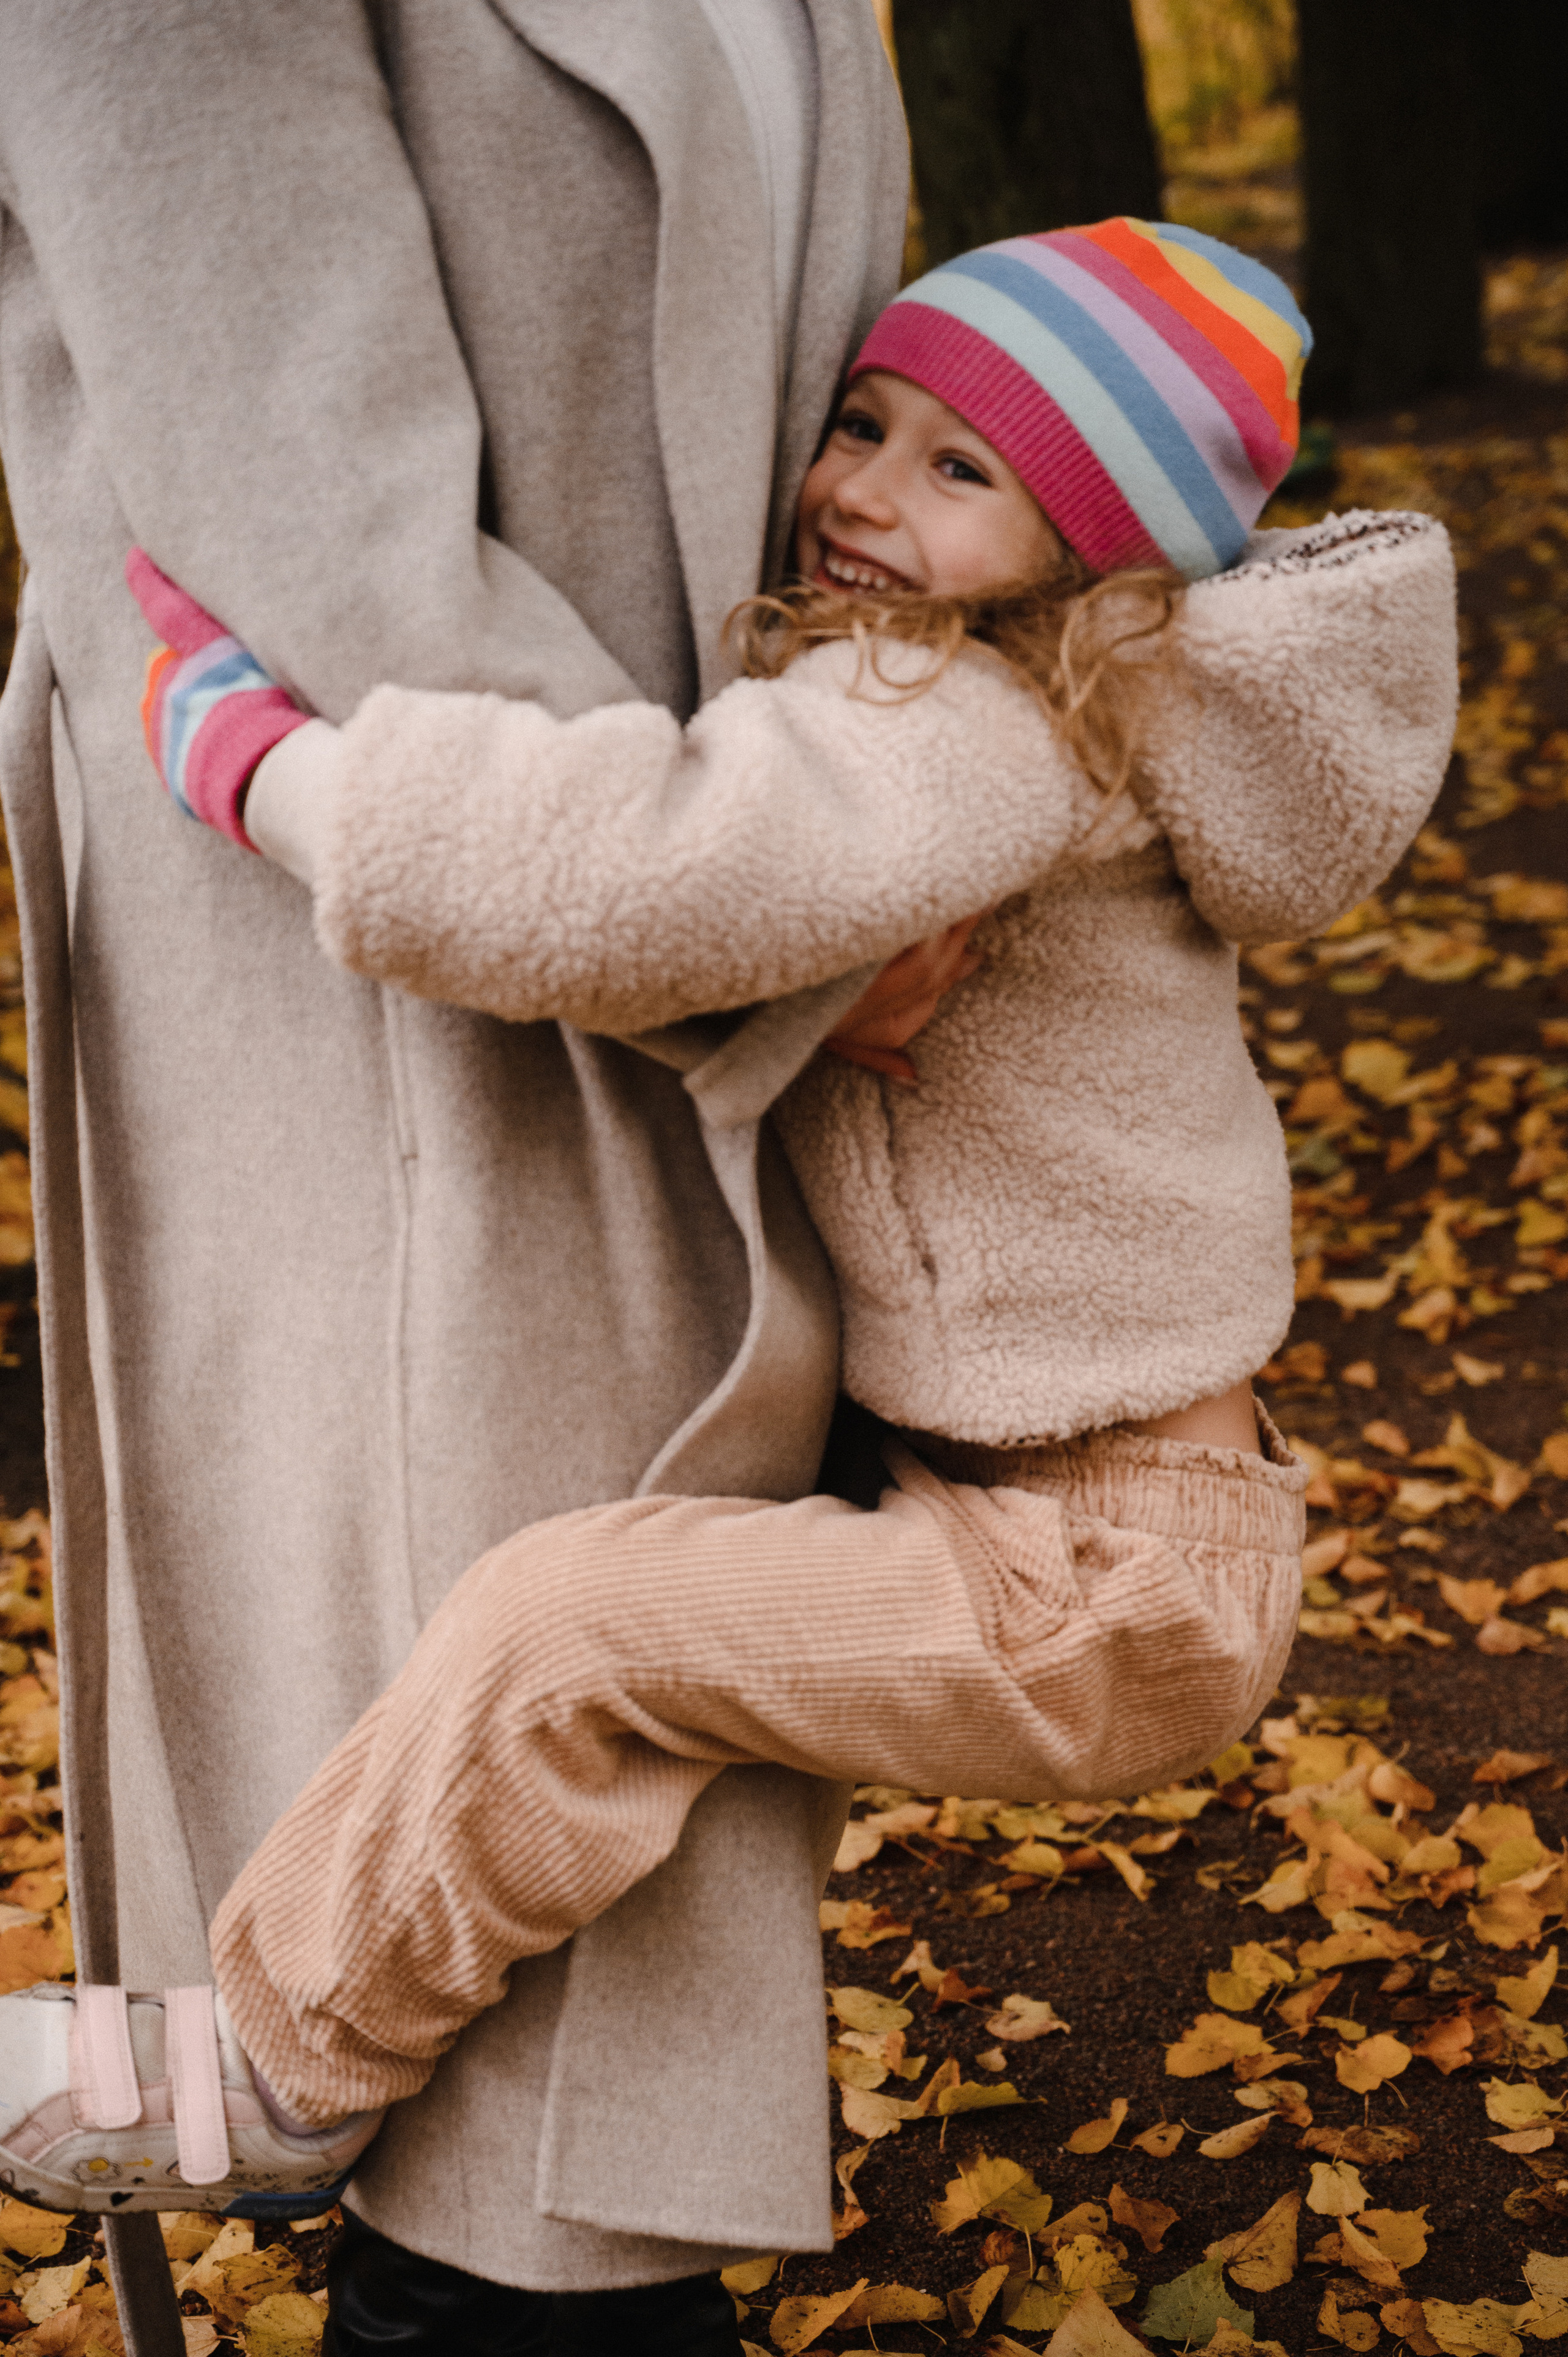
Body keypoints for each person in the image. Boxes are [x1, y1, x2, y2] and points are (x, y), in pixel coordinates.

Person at [0, 222, 1458, 2222]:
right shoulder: (1033, 709)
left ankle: (277, 2072)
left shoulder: (986, 725)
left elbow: (643, 878)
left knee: (565, 1628)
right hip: (1058, 1523)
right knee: (604, 1630)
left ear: (1093, 556)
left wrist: (271, 770)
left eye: (962, 469)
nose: (863, 489)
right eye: (864, 423)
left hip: (1107, 1581)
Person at [0, 8, 921, 2352]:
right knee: (524, 2064)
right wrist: (802, 919)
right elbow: (325, 538)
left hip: (742, 928)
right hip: (418, 991)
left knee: (600, 1906)